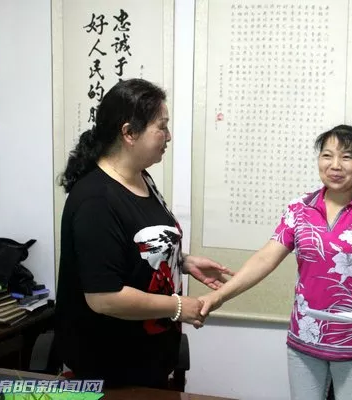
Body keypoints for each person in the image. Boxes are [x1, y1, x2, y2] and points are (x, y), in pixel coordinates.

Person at [199, 125, 352, 400]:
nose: (335, 165)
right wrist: (218, 297)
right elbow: (265, 258)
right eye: (327, 155)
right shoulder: (300, 209)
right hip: (305, 339)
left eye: (347, 157)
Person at [54, 78, 233, 389]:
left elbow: (134, 246)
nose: (169, 136)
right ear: (129, 133)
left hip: (150, 362)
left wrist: (181, 260)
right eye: (162, 127)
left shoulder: (142, 178)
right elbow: (104, 297)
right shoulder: (96, 200)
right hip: (109, 370)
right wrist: (179, 307)